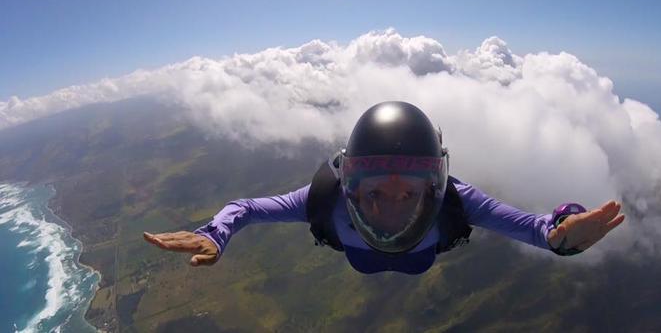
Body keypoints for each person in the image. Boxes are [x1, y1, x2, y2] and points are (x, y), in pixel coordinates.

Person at [144, 101, 625, 274]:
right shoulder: (325, 197)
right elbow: (536, 229)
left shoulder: (454, 200)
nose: (392, 211)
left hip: (380, 259)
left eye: (408, 195)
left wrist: (564, 232)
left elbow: (542, 227)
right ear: (349, 184)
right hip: (415, 259)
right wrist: (216, 232)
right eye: (376, 194)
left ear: (434, 188)